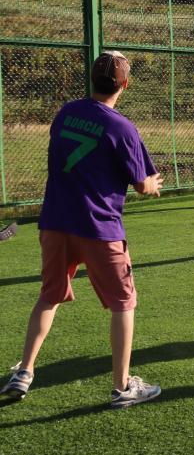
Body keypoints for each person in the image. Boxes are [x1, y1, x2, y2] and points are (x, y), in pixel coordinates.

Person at [2, 51, 164, 408]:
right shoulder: (122, 127)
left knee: (49, 296)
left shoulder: (66, 113)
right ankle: (122, 386)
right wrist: (152, 185)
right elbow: (142, 184)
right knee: (124, 302)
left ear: (92, 79)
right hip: (99, 227)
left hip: (56, 222)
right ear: (125, 84)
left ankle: (24, 372)